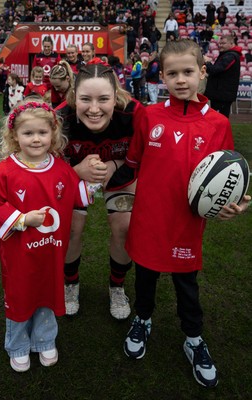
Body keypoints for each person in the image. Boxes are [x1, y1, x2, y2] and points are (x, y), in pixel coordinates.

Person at [113, 39, 251, 389]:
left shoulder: (218, 124)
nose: (180, 79)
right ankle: (143, 319)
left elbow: (226, 177)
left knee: (186, 285)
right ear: (163, 76)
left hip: (187, 225)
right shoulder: (150, 115)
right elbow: (132, 163)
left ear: (203, 73)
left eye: (188, 71)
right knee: (145, 277)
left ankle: (193, 338)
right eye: (172, 73)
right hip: (148, 220)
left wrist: (231, 204)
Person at [0, 99, 103, 372]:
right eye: (28, 133)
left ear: (53, 134)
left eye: (42, 133)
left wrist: (95, 178)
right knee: (21, 294)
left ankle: (44, 340)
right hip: (19, 254)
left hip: (50, 251)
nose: (36, 139)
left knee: (48, 293)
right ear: (14, 135)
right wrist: (22, 219)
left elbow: (75, 194)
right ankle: (18, 345)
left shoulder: (60, 167)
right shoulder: (5, 171)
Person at [55, 61, 144, 319]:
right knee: (70, 228)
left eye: (103, 99)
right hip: (73, 175)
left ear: (115, 96)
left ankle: (117, 286)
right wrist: (74, 172)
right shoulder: (59, 118)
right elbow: (43, 169)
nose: (94, 109)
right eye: (85, 99)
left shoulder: (135, 113)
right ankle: (70, 283)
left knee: (125, 227)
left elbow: (148, 158)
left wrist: (117, 165)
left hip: (121, 171)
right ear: (74, 97)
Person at [204, 35, 242, 118]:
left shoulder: (230, 56)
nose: (220, 45)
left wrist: (207, 63)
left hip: (222, 95)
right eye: (220, 43)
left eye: (223, 43)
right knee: (218, 119)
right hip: (221, 94)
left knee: (219, 119)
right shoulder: (228, 55)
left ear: (231, 43)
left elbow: (216, 70)